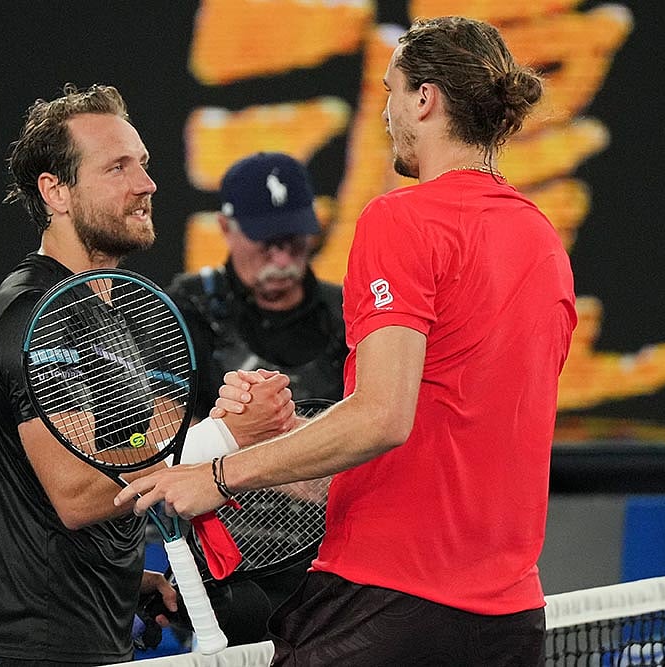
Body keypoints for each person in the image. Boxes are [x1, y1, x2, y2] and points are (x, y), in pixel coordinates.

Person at [117, 15, 577, 666]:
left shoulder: (401, 219)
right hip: (508, 620)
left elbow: (383, 417)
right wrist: (287, 433)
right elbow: (446, 427)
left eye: (391, 91)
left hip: (386, 604)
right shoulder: (543, 243)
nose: (385, 112)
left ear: (425, 99)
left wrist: (218, 474)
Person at [0, 83, 295, 667]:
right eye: (118, 168)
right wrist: (227, 435)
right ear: (56, 192)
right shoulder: (33, 314)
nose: (147, 184)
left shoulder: (131, 311)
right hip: (24, 651)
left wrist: (129, 579)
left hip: (99, 638)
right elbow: (78, 494)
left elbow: (144, 454)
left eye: (143, 163)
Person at [164, 151, 348, 632]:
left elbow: (374, 447)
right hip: (225, 571)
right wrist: (305, 454)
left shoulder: (351, 315)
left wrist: (247, 440)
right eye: (266, 242)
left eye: (294, 240)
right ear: (226, 228)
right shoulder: (186, 310)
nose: (282, 259)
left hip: (333, 569)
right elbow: (165, 448)